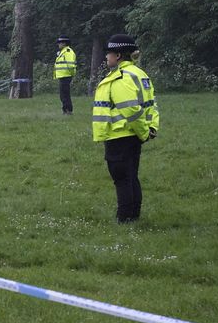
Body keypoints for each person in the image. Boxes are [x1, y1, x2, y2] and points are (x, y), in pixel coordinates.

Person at [92, 34, 159, 223]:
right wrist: (150, 129)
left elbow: (131, 110)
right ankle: (134, 216)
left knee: (121, 178)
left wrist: (143, 131)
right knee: (131, 176)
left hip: (119, 135)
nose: (107, 57)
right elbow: (151, 106)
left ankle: (124, 218)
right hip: (133, 136)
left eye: (109, 53)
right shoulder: (140, 74)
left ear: (119, 55)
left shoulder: (121, 78)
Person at [54, 35, 77, 114]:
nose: (58, 44)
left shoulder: (68, 52)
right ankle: (66, 110)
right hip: (63, 76)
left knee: (65, 95)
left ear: (64, 43)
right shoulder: (63, 52)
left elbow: (70, 65)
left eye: (60, 43)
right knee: (63, 95)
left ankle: (68, 110)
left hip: (66, 76)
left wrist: (71, 74)